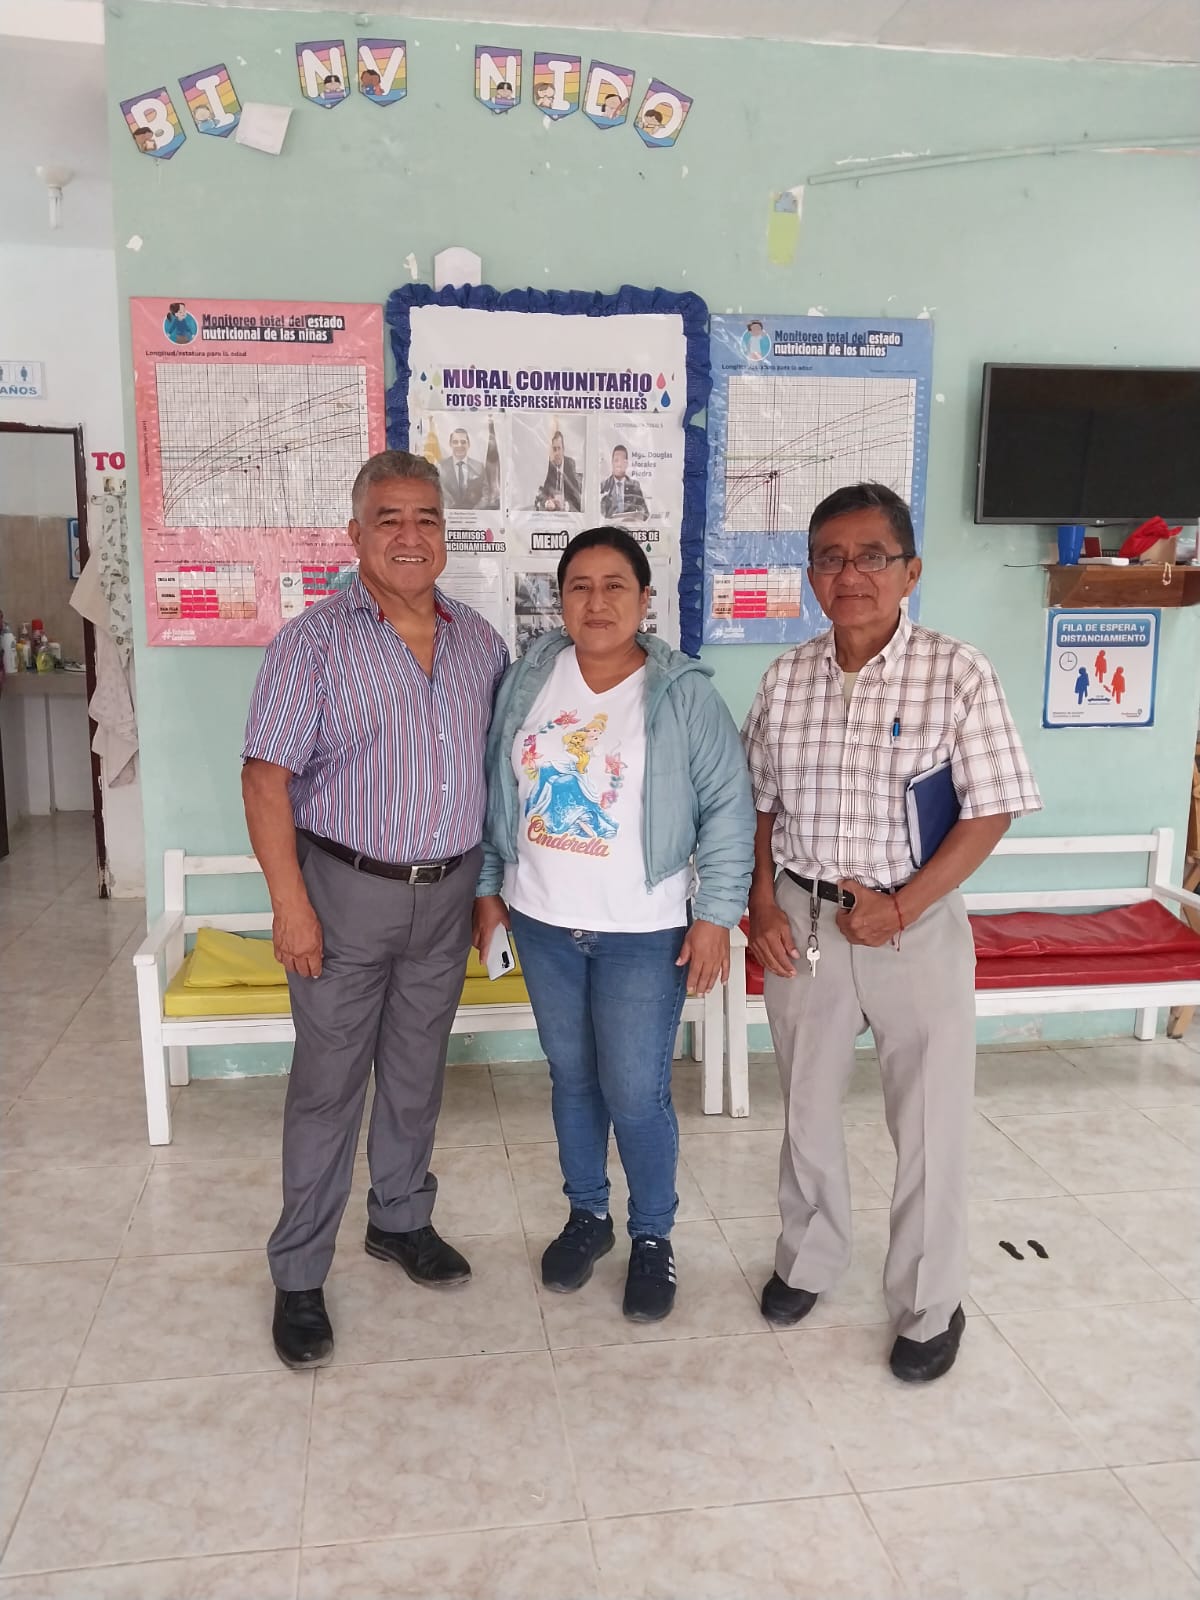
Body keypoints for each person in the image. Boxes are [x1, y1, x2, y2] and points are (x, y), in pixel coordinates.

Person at [742, 481, 1040, 1382]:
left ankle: (927, 1303)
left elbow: (991, 810)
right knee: (806, 1109)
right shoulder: (785, 679)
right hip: (803, 919)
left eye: (872, 556)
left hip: (916, 924)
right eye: (830, 558)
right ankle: (809, 1258)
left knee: (930, 1122)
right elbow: (759, 806)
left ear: (910, 571)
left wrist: (903, 907)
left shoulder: (958, 672)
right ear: (810, 576)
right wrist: (762, 906)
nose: (850, 575)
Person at [242, 449, 509, 1370]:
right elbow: (265, 781)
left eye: (426, 517)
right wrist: (290, 905)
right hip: (343, 894)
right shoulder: (311, 644)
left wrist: (486, 895)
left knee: (415, 1072)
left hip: (448, 893)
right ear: (354, 533)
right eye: (389, 518)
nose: (409, 534)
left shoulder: (481, 644)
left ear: (446, 534)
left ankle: (399, 1219)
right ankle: (299, 1273)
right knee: (328, 1087)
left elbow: (493, 781)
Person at [474, 527, 754, 1322]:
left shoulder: (682, 692)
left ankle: (653, 1236)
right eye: (580, 586)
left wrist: (716, 916)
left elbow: (728, 809)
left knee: (634, 1092)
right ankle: (588, 1216)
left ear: (644, 598)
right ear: (559, 600)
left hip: (644, 931)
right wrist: (490, 889)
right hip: (543, 922)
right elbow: (498, 794)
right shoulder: (530, 679)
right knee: (572, 1078)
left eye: (615, 586)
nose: (596, 602)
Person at [438, 427, 487, 511]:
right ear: (450, 444)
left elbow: (486, 493)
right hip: (449, 516)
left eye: (463, 442)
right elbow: (438, 494)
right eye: (455, 442)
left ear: (469, 444)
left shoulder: (479, 467)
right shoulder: (441, 467)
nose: (459, 445)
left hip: (475, 515)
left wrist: (476, 512)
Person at [535, 430, 582, 513]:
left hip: (566, 513)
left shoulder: (570, 465)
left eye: (559, 448)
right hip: (551, 513)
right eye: (554, 449)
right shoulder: (548, 466)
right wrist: (547, 502)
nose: (557, 453)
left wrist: (566, 505)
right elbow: (539, 492)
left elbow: (577, 497)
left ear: (563, 449)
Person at [599, 445, 649, 521]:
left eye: (622, 461)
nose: (619, 464)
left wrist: (635, 518)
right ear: (612, 462)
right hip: (609, 527)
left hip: (630, 526)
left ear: (626, 464)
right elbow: (599, 516)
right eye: (616, 460)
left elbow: (645, 513)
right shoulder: (603, 486)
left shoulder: (634, 486)